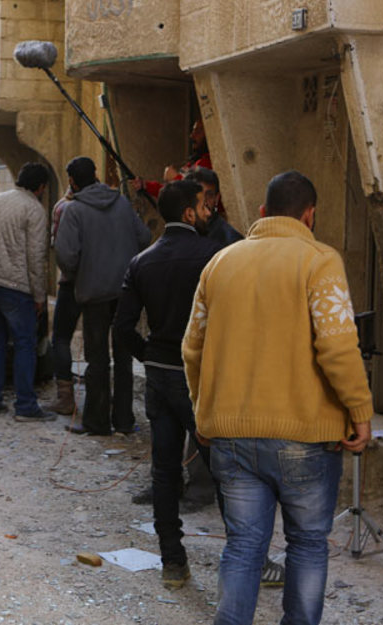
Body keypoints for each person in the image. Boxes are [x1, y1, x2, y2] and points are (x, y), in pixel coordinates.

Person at [183, 170, 373, 625]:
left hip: (231, 435)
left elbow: (193, 348)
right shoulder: (319, 260)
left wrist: (204, 415)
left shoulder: (220, 263)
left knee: (244, 547)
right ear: (310, 215)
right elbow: (338, 346)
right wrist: (360, 411)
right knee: (307, 545)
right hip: (305, 439)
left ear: (263, 213)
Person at [114, 180, 224, 589]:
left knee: (164, 472)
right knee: (226, 471)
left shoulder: (142, 261)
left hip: (161, 374)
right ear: (189, 213)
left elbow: (122, 328)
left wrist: (150, 356)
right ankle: (249, 563)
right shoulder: (216, 257)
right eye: (204, 204)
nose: (211, 209)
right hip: (200, 379)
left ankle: (173, 563)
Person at [55, 156, 151, 435]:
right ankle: (123, 420)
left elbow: (66, 255)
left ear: (72, 181)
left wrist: (79, 273)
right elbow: (144, 237)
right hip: (124, 292)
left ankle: (97, 422)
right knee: (122, 357)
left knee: (97, 359)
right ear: (96, 175)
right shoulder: (121, 202)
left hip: (94, 293)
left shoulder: (74, 211)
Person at [0, 163, 56, 421]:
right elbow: (35, 256)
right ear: (41, 187)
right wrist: (39, 296)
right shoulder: (34, 210)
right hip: (15, 286)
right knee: (25, 343)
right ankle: (26, 405)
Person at [50, 185, 81, 415]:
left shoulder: (63, 208)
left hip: (71, 282)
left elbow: (59, 247)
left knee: (61, 337)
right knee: (98, 342)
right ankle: (104, 401)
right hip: (103, 283)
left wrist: (69, 271)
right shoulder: (114, 206)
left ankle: (65, 396)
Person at [184, 167, 243, 247]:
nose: (204, 201)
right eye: (198, 195)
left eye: (209, 195)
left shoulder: (231, 241)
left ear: (216, 198)